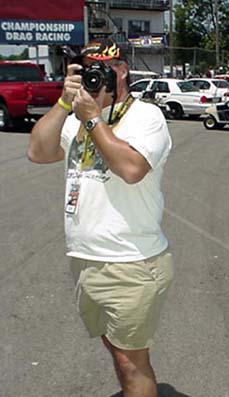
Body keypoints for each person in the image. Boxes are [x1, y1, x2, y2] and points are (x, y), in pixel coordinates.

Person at [27, 38, 174, 397]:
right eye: (88, 68)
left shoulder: (146, 116)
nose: (95, 77)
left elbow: (131, 168)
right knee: (114, 346)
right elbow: (38, 151)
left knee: (131, 361)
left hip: (130, 261)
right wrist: (65, 101)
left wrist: (93, 118)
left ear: (122, 71)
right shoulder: (74, 114)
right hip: (86, 259)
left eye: (104, 69)